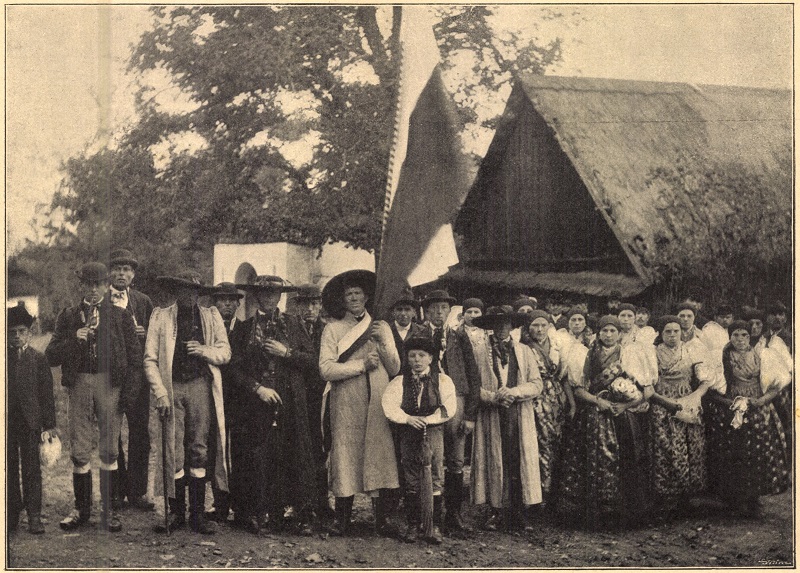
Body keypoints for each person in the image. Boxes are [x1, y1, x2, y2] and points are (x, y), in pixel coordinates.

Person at [46, 262, 141, 533]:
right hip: (80, 383)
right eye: (88, 283)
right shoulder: (68, 316)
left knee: (110, 447)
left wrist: (127, 395)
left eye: (98, 283)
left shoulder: (120, 316)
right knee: (80, 448)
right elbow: (52, 355)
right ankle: (82, 509)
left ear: (105, 285)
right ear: (81, 286)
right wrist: (74, 339)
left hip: (110, 384)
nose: (93, 289)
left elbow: (135, 359)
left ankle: (110, 510)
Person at [227, 275, 316, 534]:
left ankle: (301, 515)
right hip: (257, 403)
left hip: (291, 401)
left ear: (280, 297)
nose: (268, 298)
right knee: (260, 457)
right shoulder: (243, 329)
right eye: (263, 294)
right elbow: (234, 369)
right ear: (257, 296)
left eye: (274, 294)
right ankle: (261, 512)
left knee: (294, 454)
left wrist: (286, 353)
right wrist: (257, 388)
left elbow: (312, 361)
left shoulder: (293, 325)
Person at [143, 271, 231, 535]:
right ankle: (176, 513)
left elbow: (225, 352)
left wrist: (205, 351)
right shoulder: (161, 316)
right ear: (176, 292)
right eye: (183, 291)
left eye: (193, 292)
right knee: (173, 449)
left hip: (200, 387)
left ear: (198, 294)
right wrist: (159, 391)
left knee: (199, 449)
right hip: (172, 389)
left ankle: (197, 515)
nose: (188, 296)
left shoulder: (210, 316)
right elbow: (149, 359)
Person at [319, 270, 401, 536]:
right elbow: (327, 370)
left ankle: (381, 520)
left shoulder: (381, 326)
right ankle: (342, 520)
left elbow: (395, 366)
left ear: (367, 297)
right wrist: (360, 365)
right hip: (346, 400)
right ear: (343, 300)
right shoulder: (332, 329)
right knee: (346, 455)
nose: (353, 298)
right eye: (348, 294)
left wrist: (383, 343)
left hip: (378, 398)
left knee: (378, 455)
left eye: (357, 293)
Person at [559, 315, 651, 530]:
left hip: (621, 418)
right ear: (597, 334)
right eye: (604, 331)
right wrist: (598, 401)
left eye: (612, 331)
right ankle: (590, 514)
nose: (608, 335)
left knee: (624, 459)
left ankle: (620, 514)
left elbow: (643, 393)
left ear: (620, 334)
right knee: (591, 460)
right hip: (593, 416)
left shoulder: (629, 355)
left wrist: (624, 406)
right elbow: (578, 389)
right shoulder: (585, 355)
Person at [705, 321, 790, 517]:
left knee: (756, 451)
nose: (740, 340)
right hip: (731, 406)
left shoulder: (762, 354)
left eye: (744, 335)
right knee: (733, 452)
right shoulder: (722, 357)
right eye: (736, 335)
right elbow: (712, 389)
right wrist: (728, 403)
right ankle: (734, 500)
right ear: (729, 336)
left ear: (749, 336)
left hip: (757, 407)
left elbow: (775, 386)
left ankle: (754, 500)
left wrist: (759, 402)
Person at [470, 308, 543, 532]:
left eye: (507, 323)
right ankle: (496, 510)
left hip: (518, 414)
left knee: (517, 458)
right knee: (494, 458)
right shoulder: (479, 351)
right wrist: (492, 397)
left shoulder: (524, 351)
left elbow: (537, 384)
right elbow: (473, 385)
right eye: (498, 323)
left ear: (513, 326)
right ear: (491, 326)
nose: (502, 328)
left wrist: (515, 392)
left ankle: (520, 512)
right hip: (492, 414)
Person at [382, 337, 457, 544]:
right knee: (411, 476)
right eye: (412, 356)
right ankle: (413, 524)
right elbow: (389, 405)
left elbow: (448, 408)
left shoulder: (443, 380)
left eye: (422, 356)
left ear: (431, 358)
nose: (417, 360)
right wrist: (407, 419)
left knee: (435, 474)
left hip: (432, 432)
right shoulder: (399, 381)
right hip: (408, 432)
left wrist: (428, 420)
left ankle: (434, 525)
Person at [420, 289, 480, 535]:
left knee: (456, 460)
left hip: (456, 400)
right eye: (434, 308)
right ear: (427, 311)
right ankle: (430, 517)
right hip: (428, 403)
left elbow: (473, 376)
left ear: (449, 311)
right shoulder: (418, 335)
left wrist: (470, 416)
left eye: (443, 308)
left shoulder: (458, 336)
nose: (439, 312)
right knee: (432, 458)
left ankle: (453, 516)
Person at [647, 316, 713, 519]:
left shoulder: (692, 350)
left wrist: (694, 396)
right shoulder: (653, 353)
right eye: (668, 331)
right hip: (662, 404)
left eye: (676, 331)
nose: (673, 335)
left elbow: (705, 381)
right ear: (661, 333)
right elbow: (647, 387)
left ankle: (687, 499)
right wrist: (668, 404)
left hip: (688, 402)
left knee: (691, 447)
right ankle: (666, 500)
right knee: (666, 449)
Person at [107, 248, 156, 511]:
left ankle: (137, 492)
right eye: (116, 268)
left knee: (139, 432)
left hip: (138, 377)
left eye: (126, 269)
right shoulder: (100, 301)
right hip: (112, 379)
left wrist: (145, 333)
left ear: (133, 274)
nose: (121, 273)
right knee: (112, 436)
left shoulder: (142, 302)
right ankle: (116, 491)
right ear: (109, 273)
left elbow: (158, 337)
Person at [284, 283, 333, 521]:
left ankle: (322, 502)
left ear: (321, 305)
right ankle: (301, 504)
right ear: (298, 305)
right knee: (298, 449)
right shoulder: (289, 328)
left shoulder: (328, 330)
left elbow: (322, 362)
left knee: (321, 448)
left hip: (322, 395)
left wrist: (290, 355)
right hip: (296, 396)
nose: (311, 309)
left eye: (315, 303)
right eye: (306, 304)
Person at [8, 305, 56, 534]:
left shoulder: (37, 359)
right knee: (8, 469)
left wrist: (49, 426)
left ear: (28, 333)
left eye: (21, 331)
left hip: (30, 422)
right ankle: (11, 514)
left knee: (31, 468)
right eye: (11, 332)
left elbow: (46, 395)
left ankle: (34, 516)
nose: (16, 336)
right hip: (7, 423)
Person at [524, 310, 574, 510]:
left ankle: (554, 494)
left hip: (556, 401)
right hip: (535, 401)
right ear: (529, 328)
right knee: (539, 446)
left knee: (556, 444)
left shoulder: (555, 347)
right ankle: (538, 495)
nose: (539, 329)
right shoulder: (525, 348)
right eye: (535, 325)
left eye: (543, 325)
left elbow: (564, 377)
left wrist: (572, 403)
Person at [204, 282, 244, 524]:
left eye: (231, 300)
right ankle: (220, 504)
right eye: (221, 300)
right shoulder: (206, 328)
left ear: (238, 303)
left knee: (238, 451)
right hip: (214, 395)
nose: (227, 304)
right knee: (215, 449)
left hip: (239, 399)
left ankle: (240, 505)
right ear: (214, 303)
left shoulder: (245, 329)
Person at [389, 288, 426, 373]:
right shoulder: (387, 331)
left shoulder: (422, 331)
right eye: (399, 309)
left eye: (407, 309)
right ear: (393, 312)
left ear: (414, 313)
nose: (403, 313)